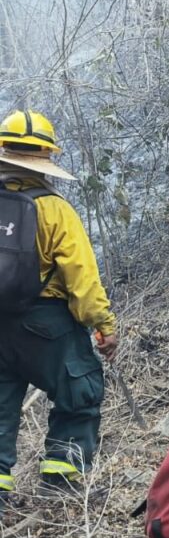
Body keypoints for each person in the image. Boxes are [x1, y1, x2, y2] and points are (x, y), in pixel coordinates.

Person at [0, 110, 118, 504]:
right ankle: (60, 484)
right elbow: (82, 279)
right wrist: (104, 325)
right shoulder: (54, 209)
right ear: (46, 158)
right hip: (46, 325)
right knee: (80, 390)